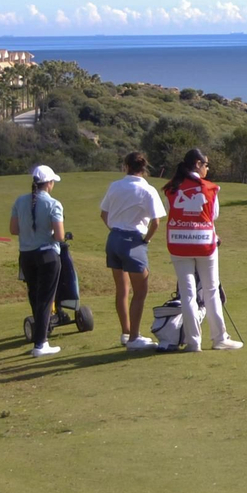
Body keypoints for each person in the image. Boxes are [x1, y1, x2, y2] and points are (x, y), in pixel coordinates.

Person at [160, 148, 241, 352]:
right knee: (210, 290)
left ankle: (193, 342)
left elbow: (171, 213)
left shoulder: (171, 187)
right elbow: (212, 216)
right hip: (204, 244)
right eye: (206, 164)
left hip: (178, 244)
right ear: (197, 164)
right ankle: (219, 338)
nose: (207, 168)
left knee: (187, 293)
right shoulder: (210, 188)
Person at [100, 150, 166, 352]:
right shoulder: (148, 190)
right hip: (133, 240)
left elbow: (104, 214)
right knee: (141, 291)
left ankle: (126, 333)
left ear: (126, 166)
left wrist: (116, 231)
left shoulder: (115, 186)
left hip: (114, 239)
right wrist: (145, 240)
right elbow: (156, 222)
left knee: (122, 289)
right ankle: (134, 338)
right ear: (143, 169)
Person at [9, 164, 66, 357]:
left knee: (35, 297)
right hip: (47, 256)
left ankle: (40, 338)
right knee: (45, 299)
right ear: (49, 183)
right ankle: (41, 344)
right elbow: (59, 236)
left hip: (26, 256)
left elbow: (14, 230)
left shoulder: (20, 201)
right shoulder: (53, 204)